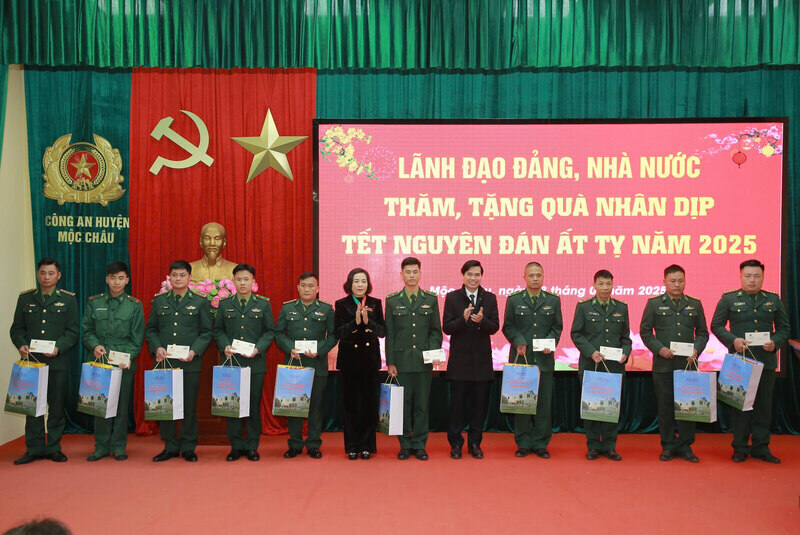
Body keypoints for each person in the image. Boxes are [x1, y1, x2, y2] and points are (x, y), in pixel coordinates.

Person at [710, 259, 789, 464]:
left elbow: (784, 328)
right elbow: (716, 325)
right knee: (740, 407)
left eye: (756, 276)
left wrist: (775, 342)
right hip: (740, 362)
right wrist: (733, 341)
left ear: (762, 277)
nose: (752, 280)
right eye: (748, 276)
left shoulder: (773, 299)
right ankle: (740, 448)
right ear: (741, 276)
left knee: (763, 407)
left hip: (766, 361)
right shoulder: (729, 299)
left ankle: (761, 447)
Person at [9, 258, 79, 465]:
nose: (46, 277)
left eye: (51, 273)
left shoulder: (68, 300)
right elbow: (17, 329)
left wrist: (58, 347)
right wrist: (21, 345)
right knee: (32, 406)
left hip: (57, 362)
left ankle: (54, 447)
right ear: (38, 274)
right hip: (32, 363)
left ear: (58, 276)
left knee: (56, 407)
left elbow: (73, 331)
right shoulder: (25, 298)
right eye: (43, 273)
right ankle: (34, 448)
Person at [639, 264, 708, 463]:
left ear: (685, 281)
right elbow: (645, 332)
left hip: (687, 365)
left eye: (680, 281)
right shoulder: (654, 304)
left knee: (687, 407)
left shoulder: (694, 304)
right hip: (663, 365)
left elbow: (702, 333)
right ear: (664, 282)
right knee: (666, 408)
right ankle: (668, 445)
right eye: (672, 281)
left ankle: (686, 446)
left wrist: (696, 349)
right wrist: (659, 348)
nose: (677, 285)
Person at [145, 260, 213, 462]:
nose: (178, 278)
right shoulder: (159, 301)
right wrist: (157, 347)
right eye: (174, 275)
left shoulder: (200, 301)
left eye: (182, 275)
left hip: (189, 363)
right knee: (166, 406)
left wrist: (195, 351)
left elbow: (206, 332)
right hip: (165, 363)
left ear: (190, 277)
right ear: (169, 277)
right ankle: (170, 446)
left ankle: (189, 447)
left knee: (189, 407)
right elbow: (151, 330)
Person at [81, 261, 145, 461]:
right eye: (112, 278)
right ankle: (100, 447)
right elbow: (86, 331)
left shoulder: (134, 305)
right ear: (106, 280)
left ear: (127, 280)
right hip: (99, 361)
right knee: (99, 405)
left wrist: (128, 357)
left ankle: (118, 446)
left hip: (123, 363)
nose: (116, 282)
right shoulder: (94, 302)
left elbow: (137, 338)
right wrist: (94, 345)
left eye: (120, 278)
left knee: (121, 407)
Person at [213, 263, 275, 462]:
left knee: (253, 407)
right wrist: (224, 345)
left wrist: (259, 348)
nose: (242, 283)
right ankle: (235, 446)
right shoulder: (225, 304)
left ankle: (252, 446)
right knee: (232, 406)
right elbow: (218, 330)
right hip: (231, 363)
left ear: (253, 282)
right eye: (238, 279)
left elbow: (269, 332)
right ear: (233, 281)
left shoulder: (263, 304)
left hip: (254, 363)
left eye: (246, 279)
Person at [501, 261, 563, 458]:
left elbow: (557, 327)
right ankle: (523, 443)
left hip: (544, 360)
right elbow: (508, 326)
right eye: (531, 275)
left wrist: (550, 341)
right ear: (525, 277)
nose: (535, 279)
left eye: (538, 275)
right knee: (521, 404)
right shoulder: (514, 300)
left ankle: (541, 443)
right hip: (522, 359)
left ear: (543, 277)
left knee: (543, 405)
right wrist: (519, 341)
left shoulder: (553, 300)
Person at [385, 257, 443, 460]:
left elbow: (435, 331)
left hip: (423, 362)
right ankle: (404, 444)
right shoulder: (392, 300)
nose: (411, 275)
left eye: (415, 272)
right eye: (407, 272)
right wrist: (390, 362)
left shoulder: (430, 299)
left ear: (420, 273)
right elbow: (390, 334)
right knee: (402, 405)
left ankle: (419, 444)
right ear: (401, 275)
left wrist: (432, 352)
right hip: (400, 363)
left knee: (421, 405)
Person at [571, 269, 631, 461]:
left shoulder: (621, 307)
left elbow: (626, 338)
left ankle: (610, 446)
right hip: (591, 364)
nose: (605, 288)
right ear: (594, 285)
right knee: (592, 407)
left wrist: (626, 353)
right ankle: (593, 446)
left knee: (611, 407)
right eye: (601, 284)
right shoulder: (584, 306)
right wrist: (590, 351)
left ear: (613, 285)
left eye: (608, 284)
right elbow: (576, 334)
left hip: (614, 367)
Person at [276, 272, 337, 459]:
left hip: (316, 365)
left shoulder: (326, 309)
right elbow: (279, 333)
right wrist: (290, 348)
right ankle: (294, 444)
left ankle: (313, 444)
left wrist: (319, 349)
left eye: (311, 286)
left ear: (317, 289)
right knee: (293, 406)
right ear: (298, 287)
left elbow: (333, 336)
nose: (307, 289)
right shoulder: (287, 308)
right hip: (294, 365)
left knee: (315, 407)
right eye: (303, 285)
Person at [443, 260, 499, 459]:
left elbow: (495, 327)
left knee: (479, 407)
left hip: (482, 363)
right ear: (463, 275)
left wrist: (482, 321)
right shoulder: (452, 297)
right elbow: (447, 328)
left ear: (481, 276)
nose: (473, 278)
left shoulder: (490, 298)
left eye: (477, 274)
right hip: (460, 363)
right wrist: (463, 319)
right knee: (457, 407)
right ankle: (456, 444)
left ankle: (475, 443)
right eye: (469, 274)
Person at [334, 268, 386, 460]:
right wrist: (355, 323)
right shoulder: (341, 304)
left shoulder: (375, 303)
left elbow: (382, 331)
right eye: (356, 281)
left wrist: (367, 322)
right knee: (350, 405)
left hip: (369, 360)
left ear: (368, 284)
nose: (360, 285)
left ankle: (366, 446)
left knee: (369, 405)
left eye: (363, 281)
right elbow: (338, 332)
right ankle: (352, 446)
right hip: (349, 360)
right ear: (350, 283)